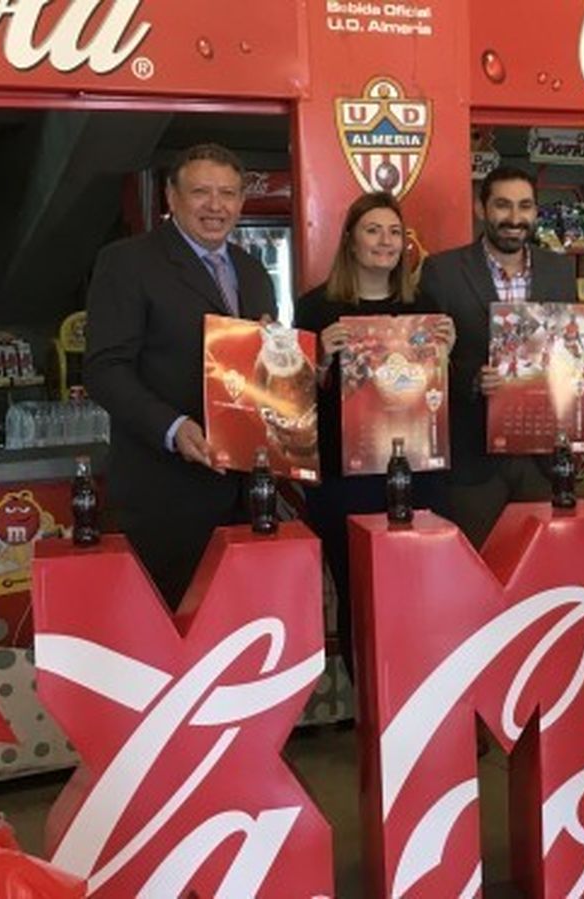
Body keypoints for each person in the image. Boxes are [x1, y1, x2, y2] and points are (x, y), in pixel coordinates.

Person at [85, 144, 277, 607]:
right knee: (169, 632)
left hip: (246, 494)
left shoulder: (253, 272)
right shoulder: (128, 262)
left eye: (228, 193)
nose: (216, 206)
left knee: (242, 628)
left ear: (241, 201)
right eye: (201, 192)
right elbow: (104, 368)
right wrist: (172, 428)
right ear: (171, 197)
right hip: (163, 496)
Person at [295, 192, 453, 679]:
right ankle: (369, 696)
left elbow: (435, 395)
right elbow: (291, 400)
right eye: (372, 230)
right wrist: (319, 357)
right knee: (357, 588)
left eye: (394, 232)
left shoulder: (424, 306)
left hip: (417, 471)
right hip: (345, 477)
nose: (385, 241)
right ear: (350, 240)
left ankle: (417, 694)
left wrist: (444, 357)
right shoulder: (316, 307)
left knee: (419, 589)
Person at [418, 166, 584, 547]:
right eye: (502, 205)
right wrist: (472, 378)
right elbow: (424, 362)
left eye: (525, 206)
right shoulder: (442, 272)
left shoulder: (559, 269)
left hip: (544, 456)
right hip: (474, 458)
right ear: (481, 209)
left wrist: (582, 364)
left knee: (540, 567)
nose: (515, 218)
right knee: (475, 565)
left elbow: (562, 348)